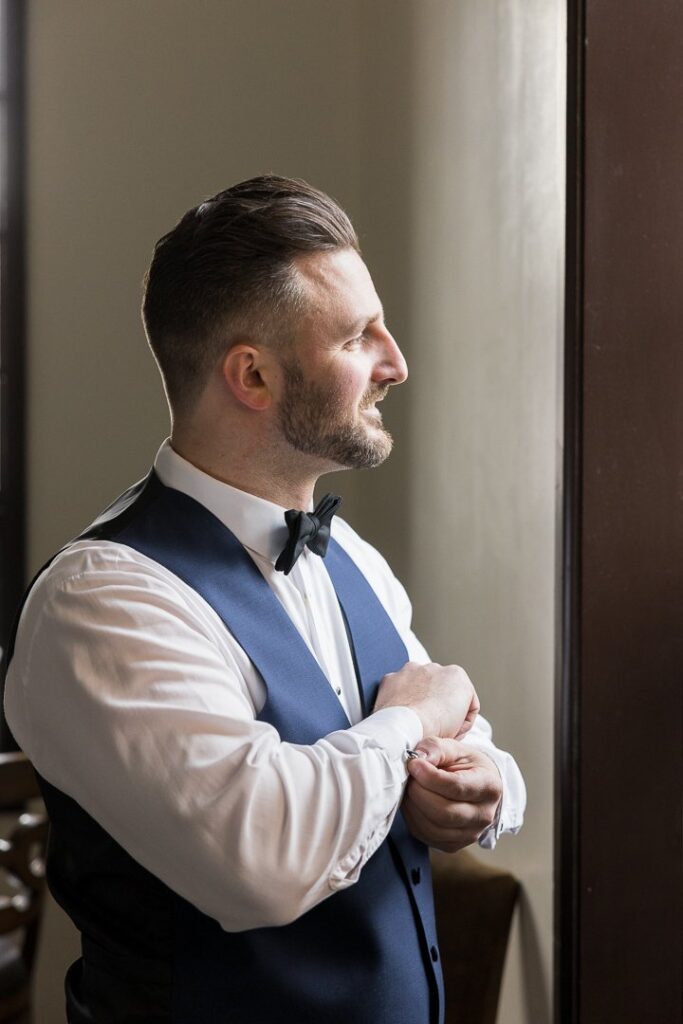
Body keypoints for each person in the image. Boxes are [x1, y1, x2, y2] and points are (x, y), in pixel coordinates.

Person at [4, 175, 525, 1024]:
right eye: (359, 337)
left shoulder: (348, 555)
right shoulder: (101, 602)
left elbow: (455, 730)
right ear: (252, 374)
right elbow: (265, 855)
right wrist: (407, 729)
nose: (395, 363)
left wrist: (485, 785)